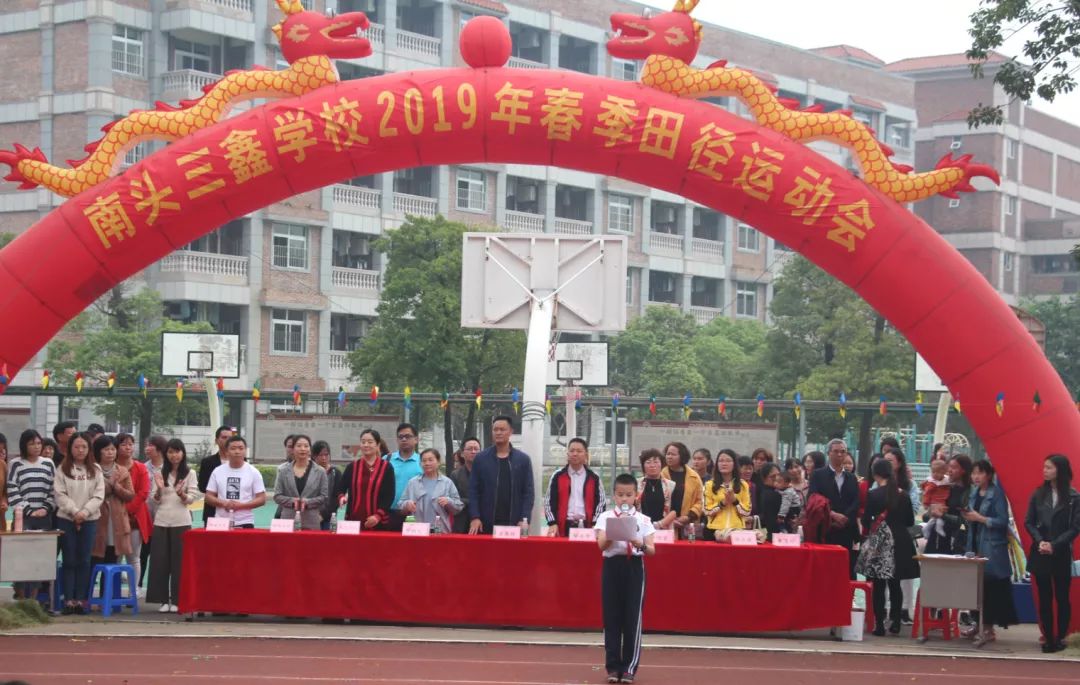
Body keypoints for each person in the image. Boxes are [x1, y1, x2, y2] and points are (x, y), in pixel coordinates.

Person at [595, 473, 656, 684]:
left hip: (634, 567)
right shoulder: (605, 517)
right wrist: (614, 531)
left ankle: (629, 668)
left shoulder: (643, 520)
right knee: (611, 618)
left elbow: (651, 550)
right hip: (612, 566)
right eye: (620, 495)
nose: (624, 499)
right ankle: (613, 667)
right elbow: (601, 545)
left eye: (628, 495)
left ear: (635, 496)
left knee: (632, 618)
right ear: (614, 496)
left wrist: (636, 540)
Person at [1024, 454, 1080, 653]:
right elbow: (1028, 522)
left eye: (1049, 467)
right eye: (1044, 467)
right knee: (1045, 596)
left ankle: (1061, 637)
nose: (1044, 470)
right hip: (1040, 552)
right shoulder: (1038, 494)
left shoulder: (1074, 497)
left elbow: (1075, 528)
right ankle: (1048, 638)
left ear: (1059, 470)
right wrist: (1041, 541)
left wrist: (1054, 544)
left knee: (1062, 597)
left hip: (1061, 552)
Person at [961, 459, 1018, 646]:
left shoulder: (997, 495)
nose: (976, 477)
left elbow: (1002, 522)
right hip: (975, 544)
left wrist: (981, 518)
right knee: (975, 587)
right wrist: (968, 517)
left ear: (989, 475)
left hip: (992, 547)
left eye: (980, 473)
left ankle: (988, 628)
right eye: (974, 473)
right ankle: (977, 623)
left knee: (991, 588)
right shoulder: (973, 493)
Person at [860, 459, 919, 636]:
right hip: (900, 541)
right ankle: (895, 623)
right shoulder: (903, 494)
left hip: (880, 540)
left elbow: (865, 520)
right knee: (895, 584)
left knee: (878, 584)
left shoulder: (874, 495)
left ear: (875, 474)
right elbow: (910, 521)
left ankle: (879, 624)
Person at [54, 432, 104, 614]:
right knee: (69, 560)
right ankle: (69, 600)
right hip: (66, 519)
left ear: (89, 449)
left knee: (84, 560)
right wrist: (75, 512)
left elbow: (99, 495)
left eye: (84, 446)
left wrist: (84, 512)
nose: (80, 450)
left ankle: (82, 600)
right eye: (76, 446)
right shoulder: (62, 469)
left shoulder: (96, 470)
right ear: (70, 448)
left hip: (90, 519)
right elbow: (60, 495)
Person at [148, 438, 200, 612]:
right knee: (160, 561)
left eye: (177, 451)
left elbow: (192, 498)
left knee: (180, 563)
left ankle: (178, 599)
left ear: (183, 453)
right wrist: (159, 491)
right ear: (165, 454)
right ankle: (163, 600)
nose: (174, 455)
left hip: (182, 521)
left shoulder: (189, 473)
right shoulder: (159, 473)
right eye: (170, 452)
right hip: (162, 520)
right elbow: (154, 500)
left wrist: (182, 495)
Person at [7, 429, 56, 600]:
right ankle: (20, 596)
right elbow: (12, 488)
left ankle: (34, 599)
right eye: (32, 443)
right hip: (23, 518)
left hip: (44, 517)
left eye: (38, 443)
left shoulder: (48, 464)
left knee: (39, 559)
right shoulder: (16, 464)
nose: (36, 447)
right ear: (24, 445)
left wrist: (45, 508)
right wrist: (28, 509)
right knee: (20, 557)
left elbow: (53, 489)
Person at [468, 416, 534, 535]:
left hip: (513, 523)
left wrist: (525, 518)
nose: (498, 432)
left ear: (511, 432)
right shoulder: (481, 459)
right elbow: (473, 490)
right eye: (495, 429)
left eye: (502, 429)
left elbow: (528, 493)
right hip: (485, 523)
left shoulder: (523, 460)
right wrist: (475, 516)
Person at [90, 435, 134, 600]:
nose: (110, 452)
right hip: (98, 519)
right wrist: (111, 485)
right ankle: (88, 599)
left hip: (116, 522)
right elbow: (96, 493)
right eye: (106, 449)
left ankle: (107, 598)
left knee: (112, 560)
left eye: (113, 449)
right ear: (98, 451)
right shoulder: (92, 470)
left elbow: (130, 495)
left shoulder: (122, 471)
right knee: (94, 560)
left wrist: (115, 486)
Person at [809, 438, 861, 578]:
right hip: (826, 528)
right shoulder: (818, 475)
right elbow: (813, 498)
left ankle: (848, 599)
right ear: (828, 453)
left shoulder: (851, 478)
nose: (839, 454)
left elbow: (856, 501)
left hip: (846, 529)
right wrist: (832, 514)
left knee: (846, 569)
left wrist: (845, 517)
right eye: (836, 451)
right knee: (825, 570)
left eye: (843, 451)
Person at [545, 437, 606, 537]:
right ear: (567, 454)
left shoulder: (594, 477)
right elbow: (548, 502)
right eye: (572, 451)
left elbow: (601, 503)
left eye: (579, 451)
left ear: (586, 455)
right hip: (563, 526)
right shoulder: (557, 476)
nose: (575, 454)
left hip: (587, 527)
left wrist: (595, 524)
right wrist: (552, 522)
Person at [337, 428, 395, 530]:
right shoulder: (353, 467)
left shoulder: (386, 467)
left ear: (377, 445)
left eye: (370, 442)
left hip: (378, 522)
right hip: (353, 521)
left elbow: (389, 496)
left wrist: (378, 516)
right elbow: (340, 488)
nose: (366, 445)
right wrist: (342, 497)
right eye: (363, 442)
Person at [115, 433, 151, 597]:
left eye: (131, 444)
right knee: (116, 555)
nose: (128, 447)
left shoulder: (140, 467)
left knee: (134, 556)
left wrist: (128, 509)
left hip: (135, 516)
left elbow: (143, 492)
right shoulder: (112, 467)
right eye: (124, 444)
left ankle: (133, 590)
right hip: (114, 516)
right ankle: (114, 590)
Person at [205, 436, 266, 528]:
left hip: (245, 521)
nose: (237, 451)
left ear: (245, 451)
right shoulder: (217, 471)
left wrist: (241, 506)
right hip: (220, 522)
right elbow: (208, 497)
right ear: (226, 452)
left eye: (241, 448)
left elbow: (261, 499)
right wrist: (224, 504)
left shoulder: (254, 472)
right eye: (233, 448)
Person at [274, 434, 328, 531]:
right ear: (293, 449)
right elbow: (277, 496)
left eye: (306, 446)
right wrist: (292, 501)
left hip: (311, 521)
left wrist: (308, 502)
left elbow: (324, 496)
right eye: (299, 446)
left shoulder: (320, 471)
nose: (303, 449)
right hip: (287, 521)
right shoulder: (283, 471)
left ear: (310, 449)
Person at [398, 448, 463, 529]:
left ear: (438, 462)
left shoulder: (447, 483)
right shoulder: (413, 482)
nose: (427, 463)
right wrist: (407, 504)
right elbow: (400, 505)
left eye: (430, 460)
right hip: (417, 529)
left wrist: (448, 501)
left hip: (440, 530)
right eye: (424, 461)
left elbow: (458, 507)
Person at [924, 454, 973, 555]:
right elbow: (927, 514)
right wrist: (931, 511)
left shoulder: (969, 492)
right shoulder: (946, 487)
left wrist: (943, 515)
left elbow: (965, 522)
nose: (949, 470)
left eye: (954, 467)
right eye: (949, 467)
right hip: (937, 537)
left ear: (963, 470)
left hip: (956, 540)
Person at [703, 450, 751, 541]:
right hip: (714, 530)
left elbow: (747, 511)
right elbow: (706, 510)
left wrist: (735, 501)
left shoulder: (743, 485)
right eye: (721, 461)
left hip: (737, 530)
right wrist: (722, 504)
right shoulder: (709, 485)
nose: (724, 463)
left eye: (728, 461)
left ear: (734, 464)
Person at [660, 442, 704, 539]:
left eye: (673, 454)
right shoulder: (660, 475)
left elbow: (700, 501)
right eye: (668, 454)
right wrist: (669, 520)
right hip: (666, 524)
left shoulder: (694, 477)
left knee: (688, 551)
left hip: (688, 526)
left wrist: (688, 517)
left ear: (682, 456)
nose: (669, 457)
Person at [140, 435, 167, 587]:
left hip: (164, 516)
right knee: (143, 552)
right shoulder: (143, 467)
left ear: (159, 448)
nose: (147, 448)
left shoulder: (168, 468)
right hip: (146, 516)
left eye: (150, 445)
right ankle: (138, 586)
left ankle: (159, 588)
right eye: (146, 445)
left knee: (161, 555)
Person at [387, 422, 423, 531]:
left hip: (414, 514)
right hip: (389, 512)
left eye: (407, 436)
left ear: (416, 439)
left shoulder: (423, 461)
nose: (404, 439)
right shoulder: (386, 460)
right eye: (400, 437)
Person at [197, 426, 235, 526]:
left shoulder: (241, 462)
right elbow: (202, 486)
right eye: (224, 437)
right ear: (216, 440)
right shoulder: (207, 462)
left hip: (236, 512)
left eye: (230, 438)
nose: (227, 440)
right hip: (212, 511)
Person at [635, 449, 675, 528]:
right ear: (643, 466)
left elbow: (675, 510)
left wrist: (659, 524)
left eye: (656, 462)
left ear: (661, 464)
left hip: (664, 530)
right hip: (641, 528)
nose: (652, 465)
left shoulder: (671, 485)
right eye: (648, 462)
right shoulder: (636, 484)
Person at [449, 437, 480, 533]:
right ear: (462, 453)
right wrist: (473, 501)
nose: (473, 452)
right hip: (461, 521)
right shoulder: (455, 475)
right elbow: (454, 500)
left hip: (481, 521)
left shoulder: (487, 473)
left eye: (476, 449)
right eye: (470, 449)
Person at [313, 440, 340, 530]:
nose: (324, 458)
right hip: (311, 516)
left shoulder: (336, 472)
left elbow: (336, 498)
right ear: (314, 456)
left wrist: (323, 516)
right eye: (321, 455)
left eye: (326, 455)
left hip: (330, 517)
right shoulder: (309, 472)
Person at [921, 458, 951, 540]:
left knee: (936, 517)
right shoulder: (931, 482)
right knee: (939, 515)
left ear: (944, 472)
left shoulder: (946, 480)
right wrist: (926, 503)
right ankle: (938, 527)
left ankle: (927, 528)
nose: (935, 474)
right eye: (933, 472)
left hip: (942, 501)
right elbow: (927, 493)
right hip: (935, 502)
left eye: (938, 472)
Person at [757, 462, 783, 538]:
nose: (777, 478)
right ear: (764, 478)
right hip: (774, 534)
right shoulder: (771, 494)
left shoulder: (772, 491)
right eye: (773, 476)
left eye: (778, 475)